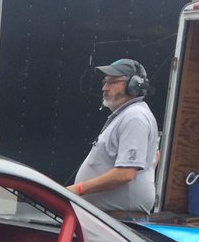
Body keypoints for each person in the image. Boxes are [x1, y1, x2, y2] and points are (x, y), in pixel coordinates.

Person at [67, 58, 159, 217]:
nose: (104, 87)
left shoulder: (134, 117)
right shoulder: (128, 115)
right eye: (105, 82)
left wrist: (79, 189)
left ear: (134, 85)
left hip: (120, 219)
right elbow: (156, 155)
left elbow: (126, 173)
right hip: (114, 217)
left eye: (112, 82)